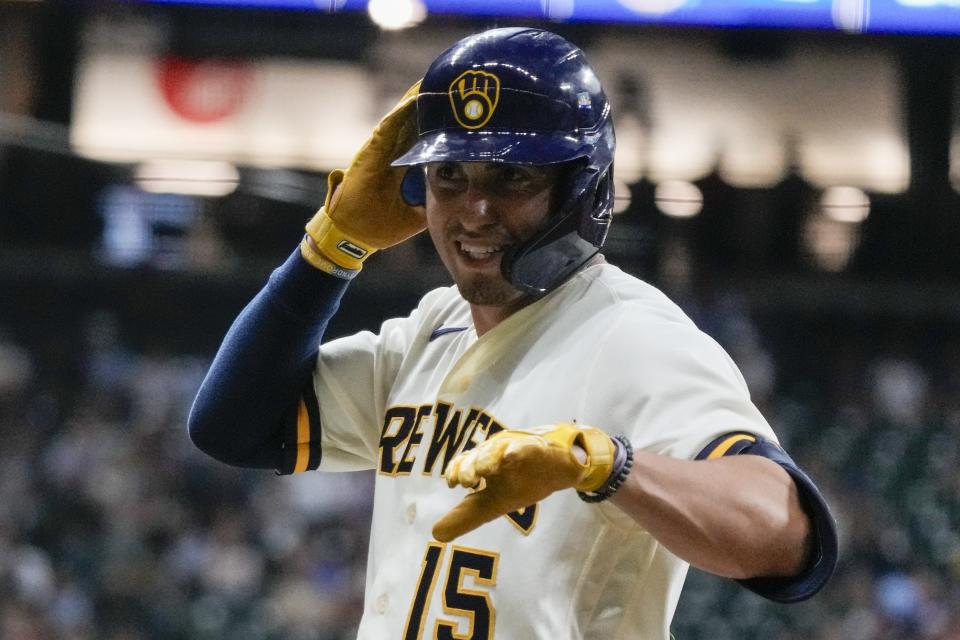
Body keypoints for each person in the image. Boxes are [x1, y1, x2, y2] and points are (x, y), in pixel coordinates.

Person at [188, 27, 838, 639]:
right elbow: (233, 426)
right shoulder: (429, 329)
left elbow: (788, 535)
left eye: (512, 176)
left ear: (580, 189)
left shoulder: (631, 336)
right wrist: (330, 248)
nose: (473, 208)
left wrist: (606, 465)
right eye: (450, 175)